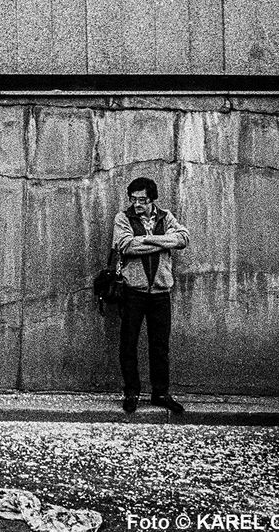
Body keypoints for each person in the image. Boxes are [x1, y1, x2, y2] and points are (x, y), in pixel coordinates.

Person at [112, 176, 190, 415]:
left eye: (142, 200)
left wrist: (146, 238)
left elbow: (183, 238)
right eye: (133, 199)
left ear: (152, 199)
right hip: (133, 292)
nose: (137, 204)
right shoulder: (123, 218)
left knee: (160, 346)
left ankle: (160, 393)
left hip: (160, 292)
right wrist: (164, 242)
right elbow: (125, 245)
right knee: (129, 344)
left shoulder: (166, 217)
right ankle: (132, 392)